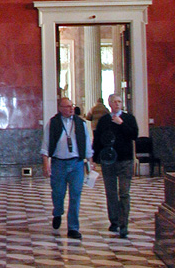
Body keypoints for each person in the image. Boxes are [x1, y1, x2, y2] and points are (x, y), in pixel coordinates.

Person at [41, 97, 94, 240]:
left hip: (77, 163)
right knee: (58, 193)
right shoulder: (53, 123)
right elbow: (45, 145)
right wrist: (46, 164)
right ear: (60, 108)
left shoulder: (81, 123)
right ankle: (58, 212)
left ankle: (73, 228)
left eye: (72, 106)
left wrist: (90, 162)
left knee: (75, 195)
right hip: (59, 163)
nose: (71, 109)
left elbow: (87, 144)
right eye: (67, 106)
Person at [93, 93, 138, 238]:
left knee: (124, 192)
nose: (117, 104)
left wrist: (121, 124)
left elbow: (134, 135)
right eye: (114, 102)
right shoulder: (104, 120)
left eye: (119, 101)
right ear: (110, 104)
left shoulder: (129, 118)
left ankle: (124, 224)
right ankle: (114, 220)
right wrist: (94, 159)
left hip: (125, 160)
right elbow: (98, 140)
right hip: (108, 161)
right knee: (111, 192)